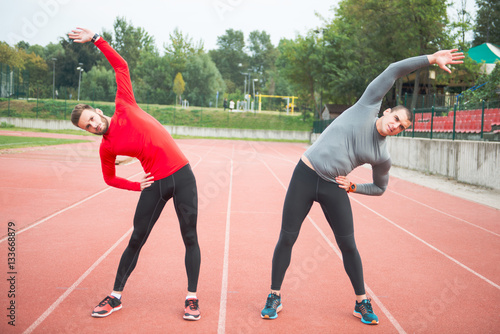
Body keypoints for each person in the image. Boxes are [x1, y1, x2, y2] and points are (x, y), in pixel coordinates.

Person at [261, 49, 464, 325]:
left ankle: (361, 302)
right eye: (396, 119)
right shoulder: (368, 105)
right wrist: (430, 59)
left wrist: (355, 187)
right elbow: (393, 69)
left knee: (348, 246)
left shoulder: (382, 156)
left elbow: (380, 188)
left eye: (401, 127)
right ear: (388, 111)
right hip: (305, 175)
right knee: (287, 237)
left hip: (334, 186)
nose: (395, 126)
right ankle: (274, 296)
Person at [68, 27, 202, 321]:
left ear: (98, 111)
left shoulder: (124, 104)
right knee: (137, 238)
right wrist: (135, 186)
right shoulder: (106, 149)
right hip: (154, 183)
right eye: (87, 127)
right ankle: (115, 296)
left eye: (91, 119)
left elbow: (121, 65)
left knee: (189, 236)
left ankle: (191, 297)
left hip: (182, 176)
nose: (93, 126)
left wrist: (96, 40)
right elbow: (109, 178)